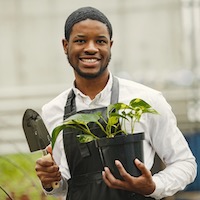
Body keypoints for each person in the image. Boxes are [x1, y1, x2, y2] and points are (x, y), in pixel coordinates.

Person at [35, 6, 197, 200]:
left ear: (110, 46)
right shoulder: (53, 111)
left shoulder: (147, 99)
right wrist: (50, 181)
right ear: (65, 45)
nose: (91, 48)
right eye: (80, 40)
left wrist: (153, 186)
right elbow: (65, 188)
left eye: (100, 41)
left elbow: (185, 163)